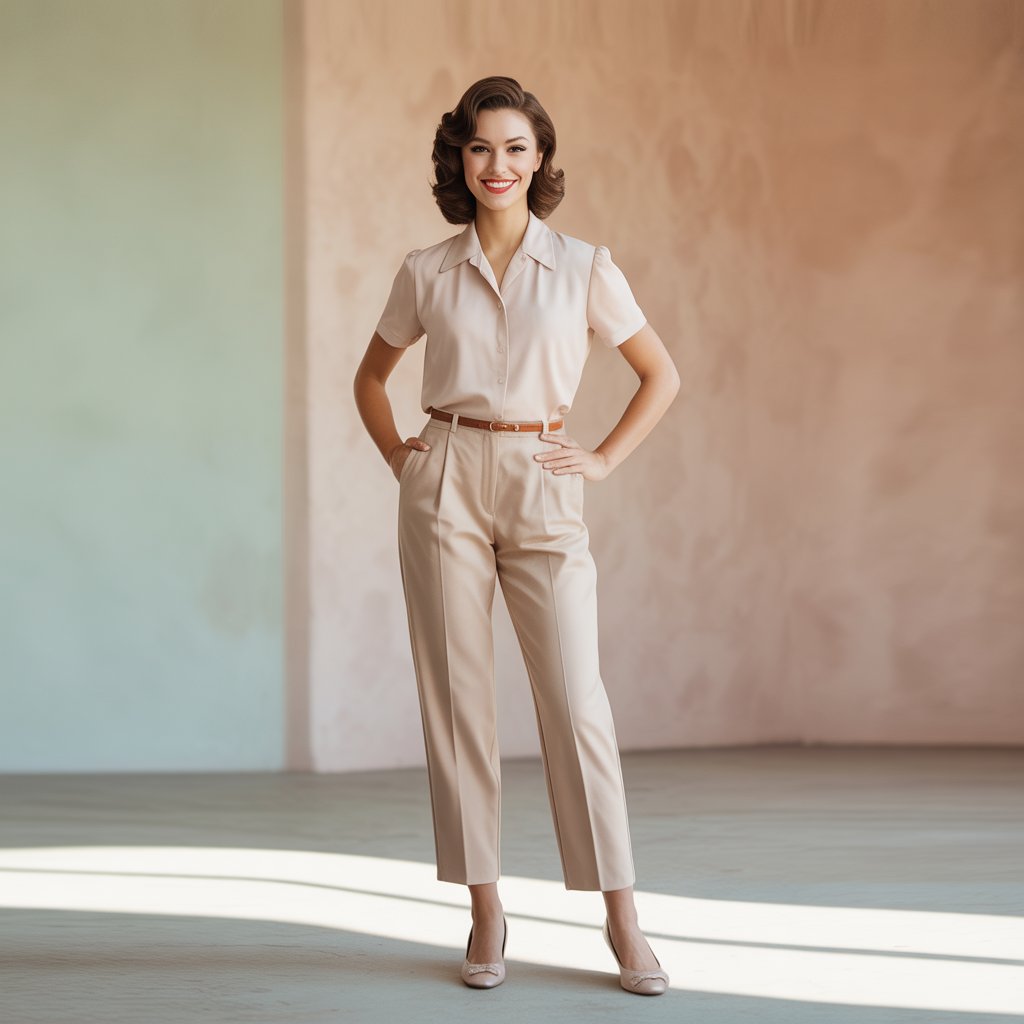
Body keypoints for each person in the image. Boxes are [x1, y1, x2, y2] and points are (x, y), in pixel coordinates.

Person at [353, 76, 680, 994]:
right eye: (480, 148)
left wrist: (604, 460)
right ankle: (486, 910)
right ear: (459, 160)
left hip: (542, 478)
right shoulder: (425, 270)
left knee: (578, 701)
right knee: (459, 703)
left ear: (541, 161)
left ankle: (624, 919)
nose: (498, 165)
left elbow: (659, 375)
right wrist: (405, 462)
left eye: (516, 148)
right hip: (446, 476)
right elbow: (371, 380)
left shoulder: (584, 266)